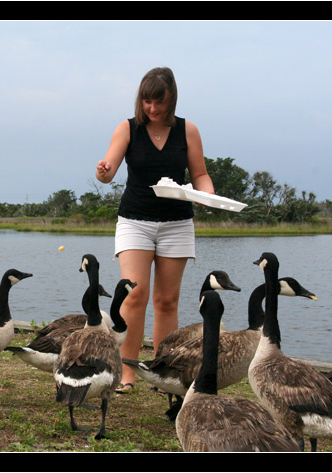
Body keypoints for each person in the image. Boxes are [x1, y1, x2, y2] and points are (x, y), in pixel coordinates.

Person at [95, 67, 214, 393]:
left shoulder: (187, 131)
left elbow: (200, 175)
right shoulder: (128, 129)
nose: (152, 108)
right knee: (134, 296)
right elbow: (108, 171)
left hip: (177, 223)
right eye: (146, 101)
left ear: (171, 99)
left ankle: (162, 376)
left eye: (158, 102)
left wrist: (208, 194)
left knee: (166, 301)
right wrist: (103, 172)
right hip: (136, 221)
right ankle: (128, 374)